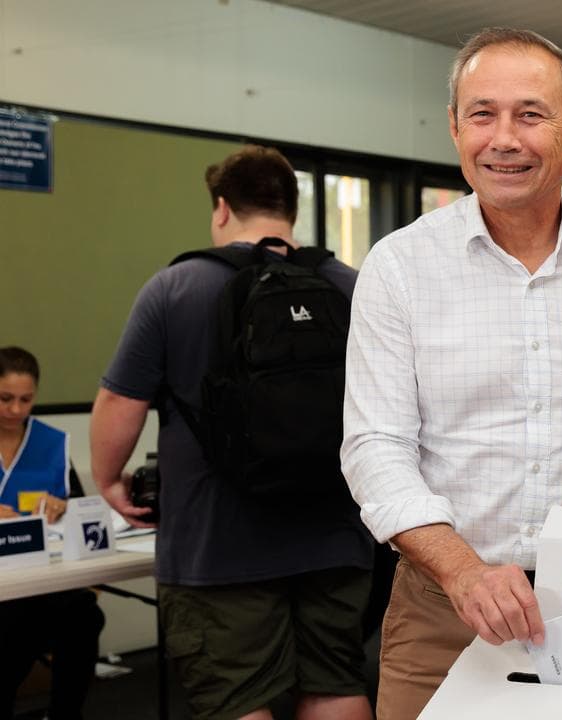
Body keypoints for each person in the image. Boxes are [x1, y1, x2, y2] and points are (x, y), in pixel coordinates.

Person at [340, 27, 562, 717]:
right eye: (482, 114)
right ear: (455, 127)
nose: (503, 138)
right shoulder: (398, 267)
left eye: (531, 114)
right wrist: (464, 570)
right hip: (443, 605)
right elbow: (375, 446)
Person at [89, 146, 374, 720]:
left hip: (218, 544)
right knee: (336, 682)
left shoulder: (176, 288)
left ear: (222, 209)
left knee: (236, 700)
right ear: (292, 209)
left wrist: (110, 481)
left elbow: (122, 401)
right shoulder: (350, 285)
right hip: (336, 534)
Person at [0, 346, 105, 720]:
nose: (16, 410)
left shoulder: (51, 443)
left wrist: (64, 507)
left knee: (84, 616)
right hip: (4, 591)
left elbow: (79, 509)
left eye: (26, 400)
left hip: (41, 580)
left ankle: (64, 715)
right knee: (13, 626)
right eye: (5, 398)